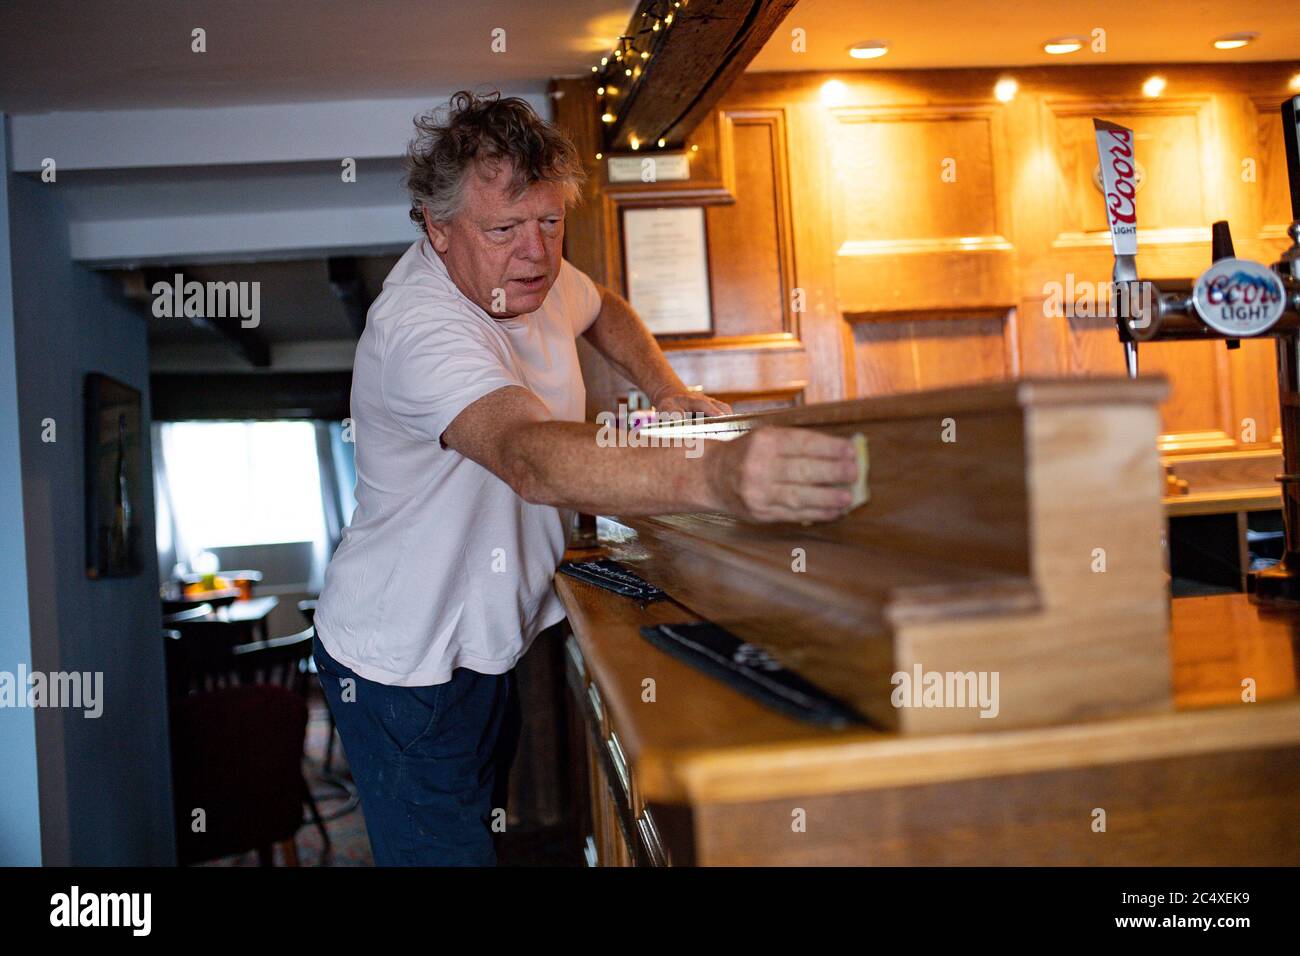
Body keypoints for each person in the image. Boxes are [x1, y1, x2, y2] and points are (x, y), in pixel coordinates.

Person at [313, 90, 859, 865]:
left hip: (480, 641)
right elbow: (528, 456)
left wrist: (667, 390)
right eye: (503, 229)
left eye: (549, 220)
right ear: (437, 231)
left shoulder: (534, 274)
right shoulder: (419, 329)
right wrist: (718, 473)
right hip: (397, 663)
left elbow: (603, 309)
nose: (535, 252)